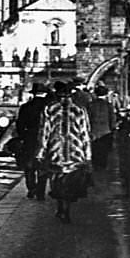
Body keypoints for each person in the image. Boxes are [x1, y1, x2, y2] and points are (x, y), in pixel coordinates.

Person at [36, 81, 92, 223]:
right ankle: (65, 209)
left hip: (56, 151)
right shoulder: (79, 110)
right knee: (70, 182)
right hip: (75, 152)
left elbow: (44, 133)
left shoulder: (50, 109)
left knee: (57, 182)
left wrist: (41, 152)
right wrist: (87, 154)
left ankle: (61, 207)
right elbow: (85, 133)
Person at [15, 83, 50, 201]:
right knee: (43, 165)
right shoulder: (49, 107)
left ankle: (31, 189)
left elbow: (19, 125)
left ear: (33, 94)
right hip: (45, 139)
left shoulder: (25, 107)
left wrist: (23, 136)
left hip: (29, 138)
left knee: (29, 166)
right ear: (44, 94)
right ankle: (41, 192)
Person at [87, 84, 116, 169]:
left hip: (94, 131)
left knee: (95, 150)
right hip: (106, 131)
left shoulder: (91, 105)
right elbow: (112, 119)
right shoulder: (109, 105)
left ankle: (95, 166)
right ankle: (102, 166)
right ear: (106, 94)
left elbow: (88, 118)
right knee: (104, 151)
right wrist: (113, 129)